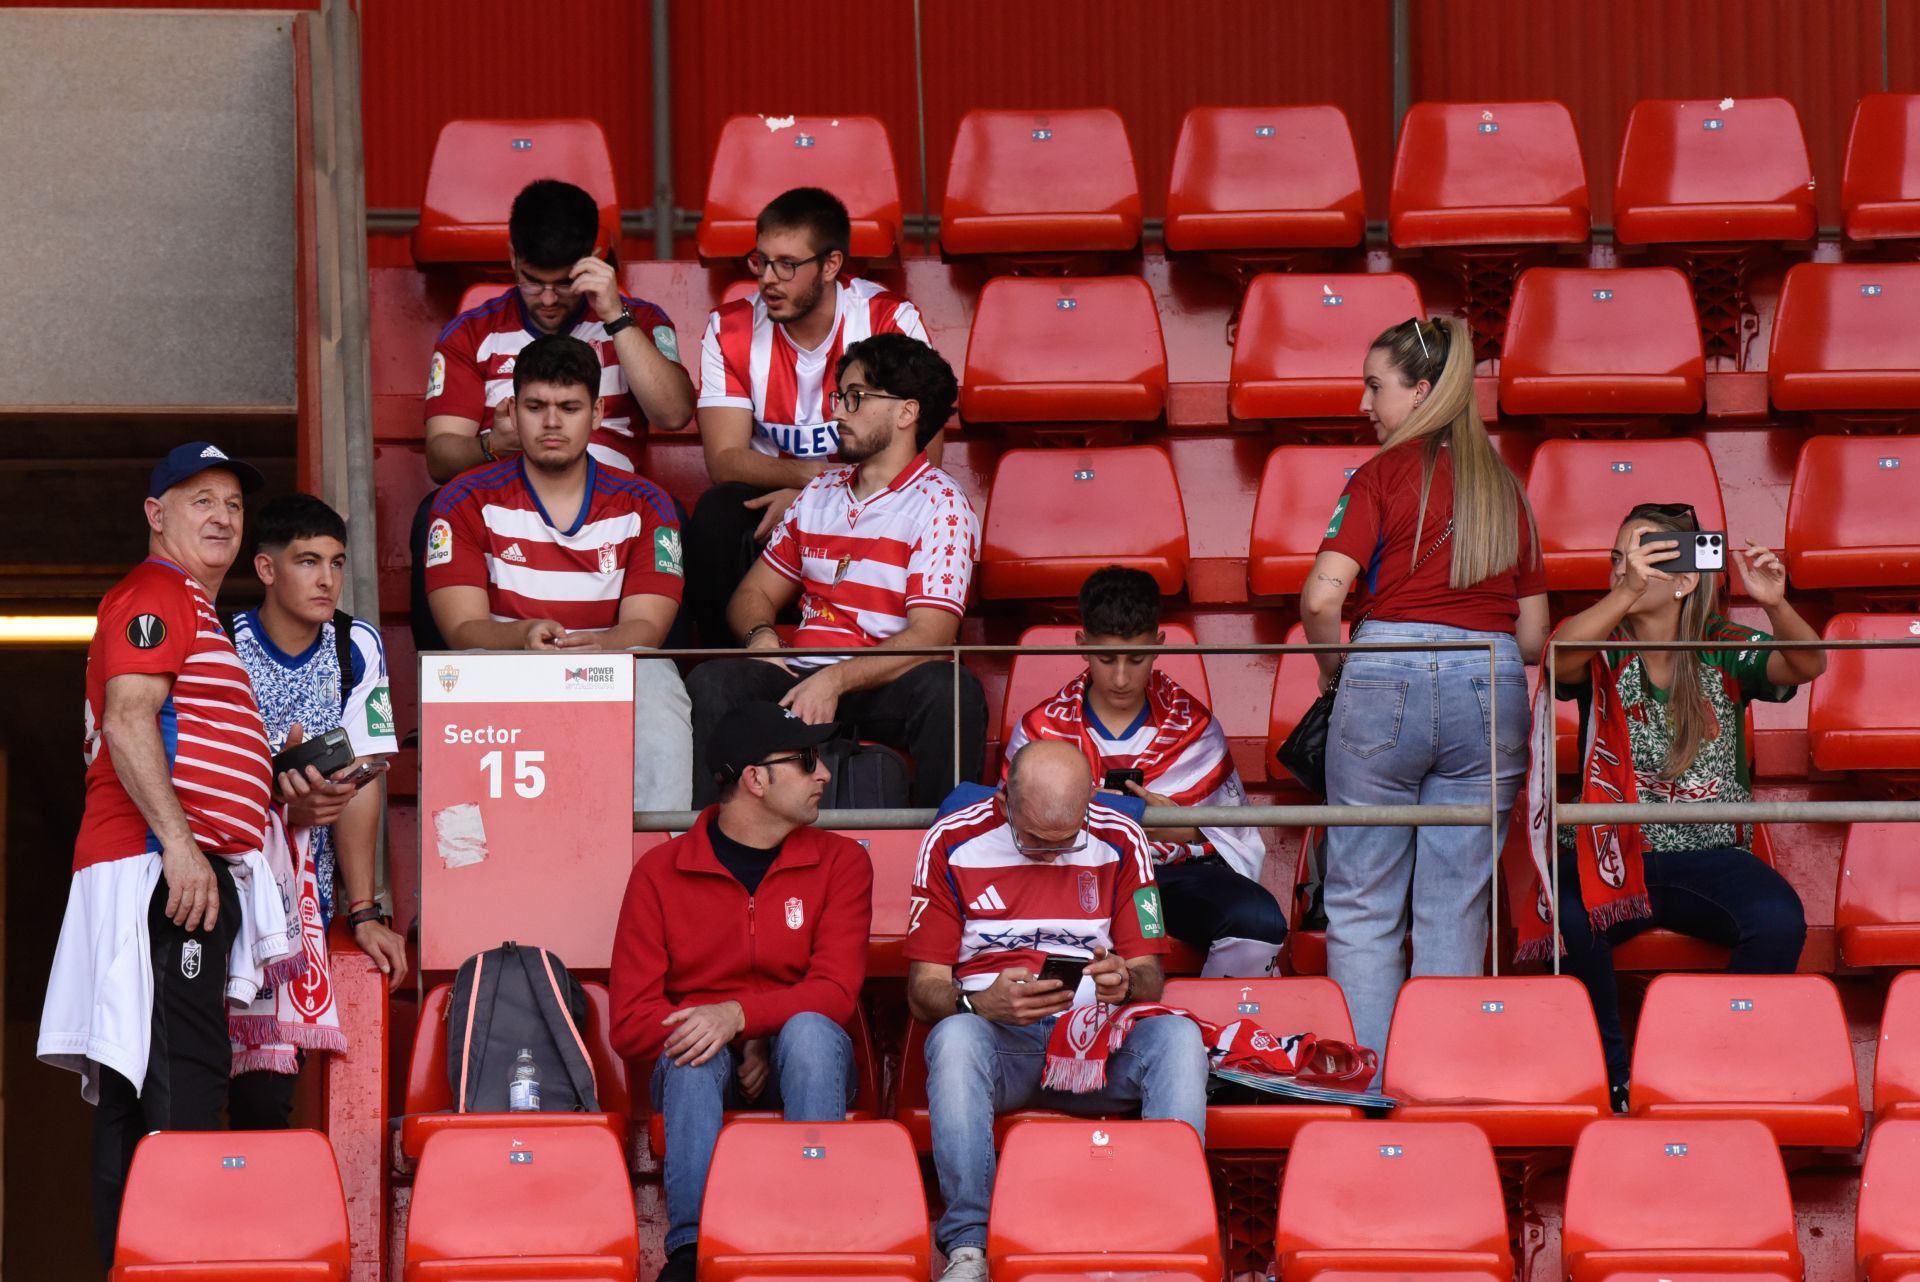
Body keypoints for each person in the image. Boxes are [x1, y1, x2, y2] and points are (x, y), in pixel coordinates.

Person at [39, 442, 272, 1267]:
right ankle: (187, 1263)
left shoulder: (191, 606)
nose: (221, 517)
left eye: (233, 505)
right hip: (164, 872)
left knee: (137, 1093)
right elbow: (132, 719)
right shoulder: (156, 592)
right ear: (155, 514)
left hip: (169, 868)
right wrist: (181, 847)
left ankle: (139, 1263)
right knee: (186, 1079)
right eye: (199, 499)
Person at [1298, 315, 1549, 1069]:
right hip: (1492, 681)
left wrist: (1335, 670)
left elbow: (1320, 599)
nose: (1365, 403)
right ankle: (1438, 1079)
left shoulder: (1377, 476)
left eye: (1377, 386)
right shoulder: (1507, 488)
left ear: (1423, 389)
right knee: (1455, 905)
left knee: (1365, 902)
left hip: (1384, 673)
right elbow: (1535, 638)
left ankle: (1369, 1086)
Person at [1546, 504, 1817, 1110]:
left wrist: (1775, 604)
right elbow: (1554, 656)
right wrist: (1626, 592)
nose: (1626, 570)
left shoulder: (1718, 642)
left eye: (1645, 559)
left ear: (1687, 576)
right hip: (1614, 855)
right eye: (1618, 559)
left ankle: (1710, 1070)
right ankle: (1612, 1078)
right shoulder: (1602, 640)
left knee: (1778, 921)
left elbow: (1806, 662)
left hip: (1709, 857)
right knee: (1564, 921)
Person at [906, 740, 1206, 1282]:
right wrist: (978, 1002)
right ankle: (969, 1246)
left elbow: (1150, 976)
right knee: (954, 1038)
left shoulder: (1121, 835)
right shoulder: (951, 840)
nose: (1051, 854)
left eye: (1066, 841)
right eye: (1035, 841)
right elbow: (922, 991)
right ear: (1005, 801)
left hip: (1096, 1042)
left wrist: (1124, 981)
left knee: (1178, 1038)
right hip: (999, 1046)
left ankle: (1172, 1230)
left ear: (1089, 802)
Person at [611, 701, 872, 1282]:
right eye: (807, 761)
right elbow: (630, 1022)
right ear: (754, 779)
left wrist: (741, 1017)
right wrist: (726, 1033)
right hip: (701, 1074)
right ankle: (692, 1253)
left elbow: (835, 994)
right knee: (690, 1048)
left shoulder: (843, 863)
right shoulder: (660, 871)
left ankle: (814, 1241)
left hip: (806, 1061)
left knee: (806, 1031)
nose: (824, 774)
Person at [687, 331, 985, 808]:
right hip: (800, 674)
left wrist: (837, 679)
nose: (837, 412)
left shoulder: (942, 504)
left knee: (951, 690)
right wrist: (761, 636)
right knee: (714, 679)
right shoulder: (820, 492)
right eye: (839, 396)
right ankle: (714, 844)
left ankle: (944, 848)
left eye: (855, 398)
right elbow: (752, 595)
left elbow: (932, 636)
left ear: (907, 413)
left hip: (883, 684)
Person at [412, 177, 695, 648]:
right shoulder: (471, 333)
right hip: (507, 506)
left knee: (673, 524)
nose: (547, 299)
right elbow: (440, 457)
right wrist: (493, 445)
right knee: (433, 519)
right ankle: (440, 697)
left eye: (563, 283)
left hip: (618, 512)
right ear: (512, 258)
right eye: (532, 281)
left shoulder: (638, 321)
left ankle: (661, 685)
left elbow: (673, 413)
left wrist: (615, 314)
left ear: (594, 261)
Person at [425, 333, 693, 811]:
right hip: (505, 672)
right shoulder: (463, 499)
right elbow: (462, 630)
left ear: (597, 412)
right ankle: (465, 875)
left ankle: (659, 857)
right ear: (511, 409)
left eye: (569, 407)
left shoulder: (647, 503)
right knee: (452, 676)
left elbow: (646, 629)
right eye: (535, 406)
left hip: (606, 674)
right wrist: (524, 636)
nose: (551, 423)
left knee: (655, 677)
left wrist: (595, 648)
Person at [225, 493, 409, 1127]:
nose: (327, 578)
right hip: (226, 891)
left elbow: (365, 779)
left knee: (265, 1103)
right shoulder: (224, 644)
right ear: (268, 569)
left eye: (336, 561)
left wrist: (365, 911)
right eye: (307, 561)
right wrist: (278, 800)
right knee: (191, 1081)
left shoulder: (353, 644)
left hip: (303, 902)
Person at [1006, 565, 1286, 977]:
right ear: (1082, 645)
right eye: (1106, 658)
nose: (1121, 677)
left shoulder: (1193, 726)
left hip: (1167, 880)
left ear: (1158, 646)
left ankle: (1218, 1035)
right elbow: (1008, 832)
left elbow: (1234, 836)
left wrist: (1177, 826)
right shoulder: (1041, 729)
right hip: (1064, 876)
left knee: (1258, 922)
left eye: (1136, 659)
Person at [686, 186, 934, 644]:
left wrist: (818, 500)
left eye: (788, 264)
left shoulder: (888, 321)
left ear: (831, 265)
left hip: (871, 498)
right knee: (717, 514)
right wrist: (811, 490)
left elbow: (923, 450)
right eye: (761, 260)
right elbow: (724, 459)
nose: (768, 279)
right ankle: (735, 664)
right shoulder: (730, 328)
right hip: (773, 498)